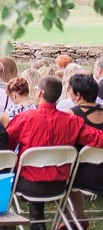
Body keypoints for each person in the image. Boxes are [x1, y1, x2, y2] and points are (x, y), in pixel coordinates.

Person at [7, 75, 103, 230]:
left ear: (39, 94)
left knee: (28, 171)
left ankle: (38, 223)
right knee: (35, 171)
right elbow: (98, 138)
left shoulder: (24, 119)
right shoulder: (73, 121)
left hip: (29, 185)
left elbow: (7, 147)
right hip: (60, 185)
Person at [63, 74, 103, 226]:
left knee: (62, 173)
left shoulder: (70, 115)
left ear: (78, 94)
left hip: (82, 177)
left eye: (70, 90)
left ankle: (73, 217)